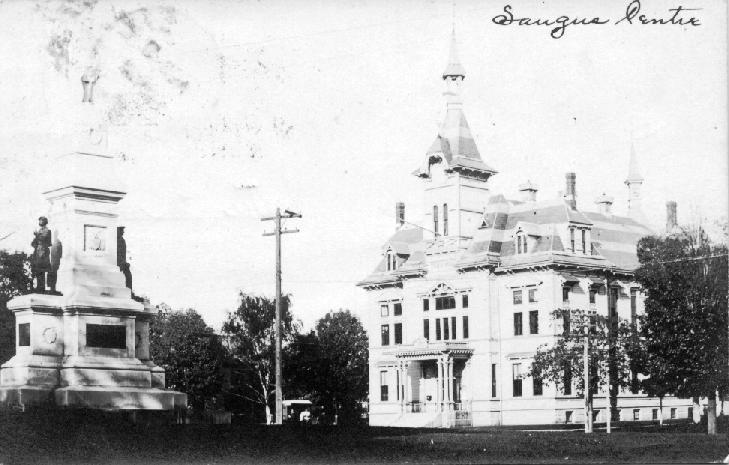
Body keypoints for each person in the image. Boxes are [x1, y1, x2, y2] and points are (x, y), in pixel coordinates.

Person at [31, 217, 52, 293]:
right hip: (38, 251)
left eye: (41, 220)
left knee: (42, 269)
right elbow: (34, 242)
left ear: (45, 222)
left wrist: (37, 235)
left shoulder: (47, 230)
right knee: (37, 269)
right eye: (39, 220)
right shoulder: (40, 230)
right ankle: (39, 286)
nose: (40, 222)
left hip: (43, 252)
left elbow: (43, 239)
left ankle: (41, 287)